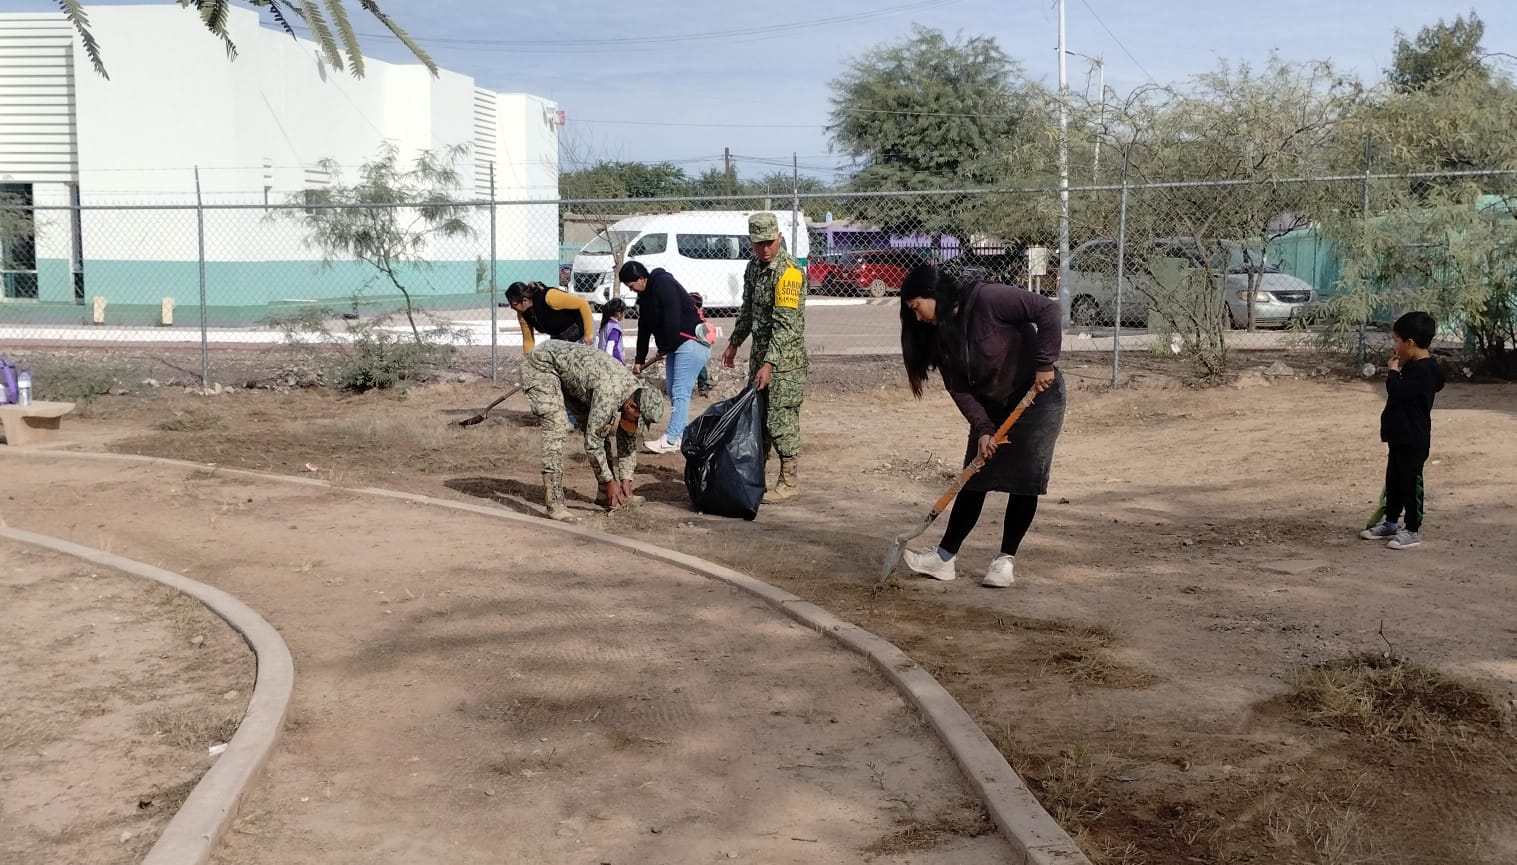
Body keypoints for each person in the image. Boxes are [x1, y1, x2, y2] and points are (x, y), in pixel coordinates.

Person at [896, 264, 1065, 588]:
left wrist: (1045, 363)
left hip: (1036, 397)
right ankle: (944, 558)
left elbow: (1048, 310)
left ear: (933, 294)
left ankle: (1004, 561)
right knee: (975, 476)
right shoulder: (942, 333)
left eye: (917, 307)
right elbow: (958, 388)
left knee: (1024, 479)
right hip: (992, 407)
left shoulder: (989, 299)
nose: (917, 317)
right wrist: (984, 428)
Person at [519, 340, 667, 522]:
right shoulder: (610, 393)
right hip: (542, 365)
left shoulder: (633, 391)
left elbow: (626, 435)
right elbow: (593, 443)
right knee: (556, 426)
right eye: (638, 420)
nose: (636, 425)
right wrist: (610, 480)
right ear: (631, 406)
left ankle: (605, 494)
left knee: (601, 427)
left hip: (575, 378)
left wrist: (626, 479)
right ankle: (555, 503)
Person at [721, 213, 808, 503]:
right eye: (759, 243)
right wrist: (734, 343)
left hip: (785, 364)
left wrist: (769, 364)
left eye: (769, 242)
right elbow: (748, 309)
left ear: (779, 238)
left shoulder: (789, 273)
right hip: (761, 360)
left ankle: (789, 481)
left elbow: (786, 325)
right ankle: (756, 475)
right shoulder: (754, 268)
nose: (765, 248)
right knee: (758, 419)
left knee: (781, 420)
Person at [1361, 311, 1445, 550]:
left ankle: (1412, 529)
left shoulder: (1423, 371)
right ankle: (1390, 522)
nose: (1394, 346)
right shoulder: (1415, 366)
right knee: (1394, 481)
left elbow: (1397, 391)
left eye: (1396, 341)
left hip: (1413, 437)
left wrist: (1393, 372)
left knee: (1410, 483)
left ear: (1409, 343)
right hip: (1399, 436)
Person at [619, 260, 712, 454]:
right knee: (673, 390)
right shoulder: (644, 298)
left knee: (680, 391)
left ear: (641, 278)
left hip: (691, 341)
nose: (631, 289)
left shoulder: (663, 282)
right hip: (675, 346)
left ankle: (672, 438)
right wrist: (639, 360)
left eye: (631, 285)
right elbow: (644, 328)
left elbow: (673, 315)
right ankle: (681, 435)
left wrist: (665, 346)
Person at [506, 280, 595, 354]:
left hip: (582, 329)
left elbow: (583, 304)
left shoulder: (549, 297)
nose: (512, 307)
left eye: (514, 304)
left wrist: (589, 333)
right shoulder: (522, 314)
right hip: (560, 339)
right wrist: (529, 360)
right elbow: (528, 340)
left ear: (525, 300)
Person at [688, 292, 716, 396]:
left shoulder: (691, 316)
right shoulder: (700, 317)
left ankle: (701, 385)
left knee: (696, 365)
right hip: (696, 346)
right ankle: (702, 385)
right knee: (699, 364)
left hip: (691, 345)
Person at [597, 298, 627, 363]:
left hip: (601, 359)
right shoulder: (615, 328)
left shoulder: (605, 325)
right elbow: (611, 348)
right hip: (611, 362)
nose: (624, 314)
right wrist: (619, 363)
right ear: (618, 313)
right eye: (623, 312)